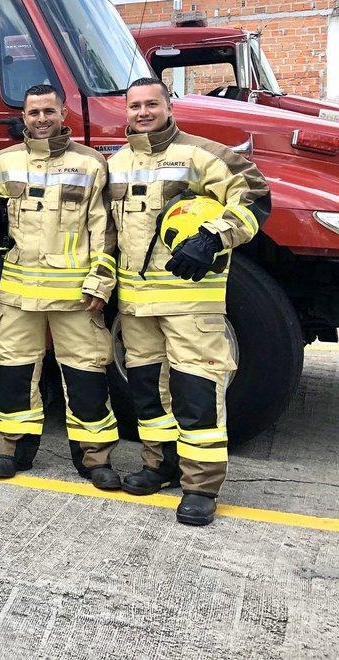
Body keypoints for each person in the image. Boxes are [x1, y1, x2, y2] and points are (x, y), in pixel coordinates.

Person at [109, 77, 270, 526]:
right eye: (135, 106)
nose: (143, 112)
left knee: (197, 391)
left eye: (151, 104)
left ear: (168, 106)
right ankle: (158, 465)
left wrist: (213, 237)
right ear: (126, 112)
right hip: (136, 305)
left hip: (190, 302)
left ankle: (201, 486)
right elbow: (108, 232)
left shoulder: (202, 155)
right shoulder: (117, 163)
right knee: (149, 393)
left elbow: (255, 195)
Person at [0, 84, 121, 489]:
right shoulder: (3, 163)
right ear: (24, 117)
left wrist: (100, 282)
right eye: (34, 112)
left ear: (63, 113)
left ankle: (95, 459)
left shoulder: (90, 163)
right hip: (19, 292)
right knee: (14, 372)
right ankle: (11, 451)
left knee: (86, 374)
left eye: (48, 111)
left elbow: (105, 230)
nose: (41, 119)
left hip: (75, 296)